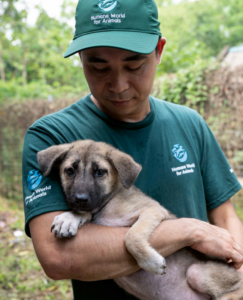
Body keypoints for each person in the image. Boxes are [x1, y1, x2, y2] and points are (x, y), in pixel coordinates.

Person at [22, 0, 243, 299]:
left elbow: (225, 216)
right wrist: (189, 231)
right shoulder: (53, 135)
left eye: (134, 64)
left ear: (159, 51)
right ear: (81, 59)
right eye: (98, 66)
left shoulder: (189, 122)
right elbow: (59, 257)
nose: (119, 84)